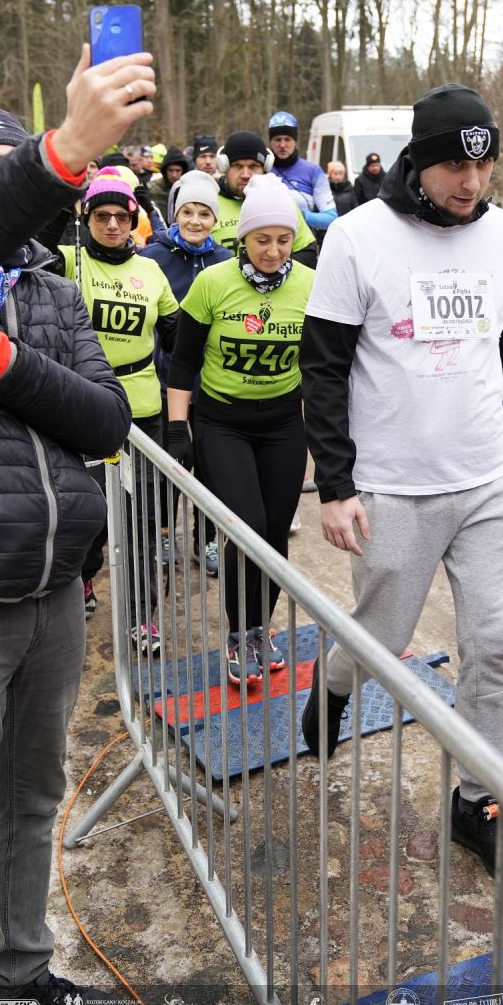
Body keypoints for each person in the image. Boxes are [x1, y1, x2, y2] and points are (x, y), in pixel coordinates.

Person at [0, 44, 153, 1005]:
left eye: (15, 170)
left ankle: (16, 982)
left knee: (31, 801)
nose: (9, 193)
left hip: (56, 595)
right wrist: (60, 148)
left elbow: (106, 422)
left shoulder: (53, 290)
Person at [299, 83, 503, 887]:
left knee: (493, 646)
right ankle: (336, 682)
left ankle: (477, 801)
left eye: (484, 165)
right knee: (380, 639)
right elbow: (323, 368)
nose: (471, 183)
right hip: (394, 485)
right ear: (418, 161)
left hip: (488, 482)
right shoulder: (357, 236)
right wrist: (335, 485)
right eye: (453, 168)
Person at [165, 175, 315, 683]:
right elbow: (184, 362)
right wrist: (178, 427)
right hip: (222, 421)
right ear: (243, 238)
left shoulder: (309, 285)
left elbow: (322, 364)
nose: (273, 251)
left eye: (283, 240)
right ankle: (237, 634)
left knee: (274, 533)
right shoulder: (213, 282)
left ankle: (259, 630)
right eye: (262, 239)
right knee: (247, 527)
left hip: (281, 422)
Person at [57, 172, 179, 651]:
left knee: (142, 519)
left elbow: (177, 337)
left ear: (133, 220)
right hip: (82, 406)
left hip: (140, 411)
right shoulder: (69, 260)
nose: (112, 225)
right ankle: (85, 577)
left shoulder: (150, 270)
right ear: (86, 218)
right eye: (102, 216)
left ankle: (142, 615)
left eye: (121, 217)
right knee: (88, 515)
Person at [138, 172, 233, 576]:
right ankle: (163, 532)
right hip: (165, 381)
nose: (195, 221)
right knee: (169, 464)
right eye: (188, 212)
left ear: (215, 218)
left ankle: (205, 538)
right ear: (175, 214)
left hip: (211, 383)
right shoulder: (151, 257)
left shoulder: (226, 261)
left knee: (210, 465)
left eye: (204, 213)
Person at [211, 130, 318, 268]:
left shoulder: (282, 201)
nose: (245, 174)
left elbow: (307, 254)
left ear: (265, 167)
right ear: (224, 167)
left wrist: (270, 269)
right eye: (237, 166)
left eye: (253, 166)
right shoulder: (210, 204)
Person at [268, 110, 336, 235]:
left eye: (287, 139)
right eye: (277, 139)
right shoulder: (261, 169)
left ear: (295, 141)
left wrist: (301, 216)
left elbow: (331, 218)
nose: (282, 145)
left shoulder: (313, 171)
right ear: (270, 142)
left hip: (303, 242)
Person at [147, 144, 186, 222]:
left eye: (178, 170)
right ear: (165, 171)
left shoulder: (188, 188)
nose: (174, 175)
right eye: (170, 170)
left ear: (183, 171)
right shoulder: (152, 188)